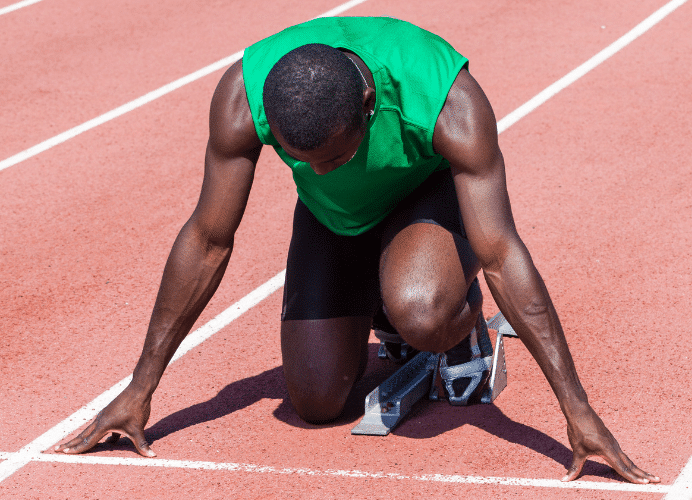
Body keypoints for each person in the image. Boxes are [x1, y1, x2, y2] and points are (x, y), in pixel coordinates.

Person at [54, 16, 659, 484]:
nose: (318, 168)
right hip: (335, 220)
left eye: (335, 158)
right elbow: (209, 239)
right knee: (316, 402)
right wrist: (140, 389)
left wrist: (578, 414)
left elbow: (500, 250)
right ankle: (384, 299)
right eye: (301, 159)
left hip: (427, 198)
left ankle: (456, 319)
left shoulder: (445, 99)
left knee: (422, 310)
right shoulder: (246, 94)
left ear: (368, 113)